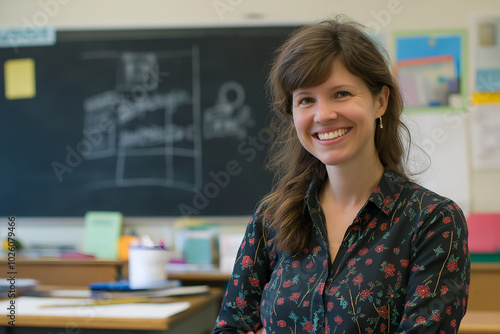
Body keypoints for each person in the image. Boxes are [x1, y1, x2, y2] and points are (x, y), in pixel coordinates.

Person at [212, 16, 470, 334]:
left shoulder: (432, 221)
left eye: (342, 94)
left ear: (380, 101)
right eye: (306, 100)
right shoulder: (271, 218)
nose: (323, 115)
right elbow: (229, 327)